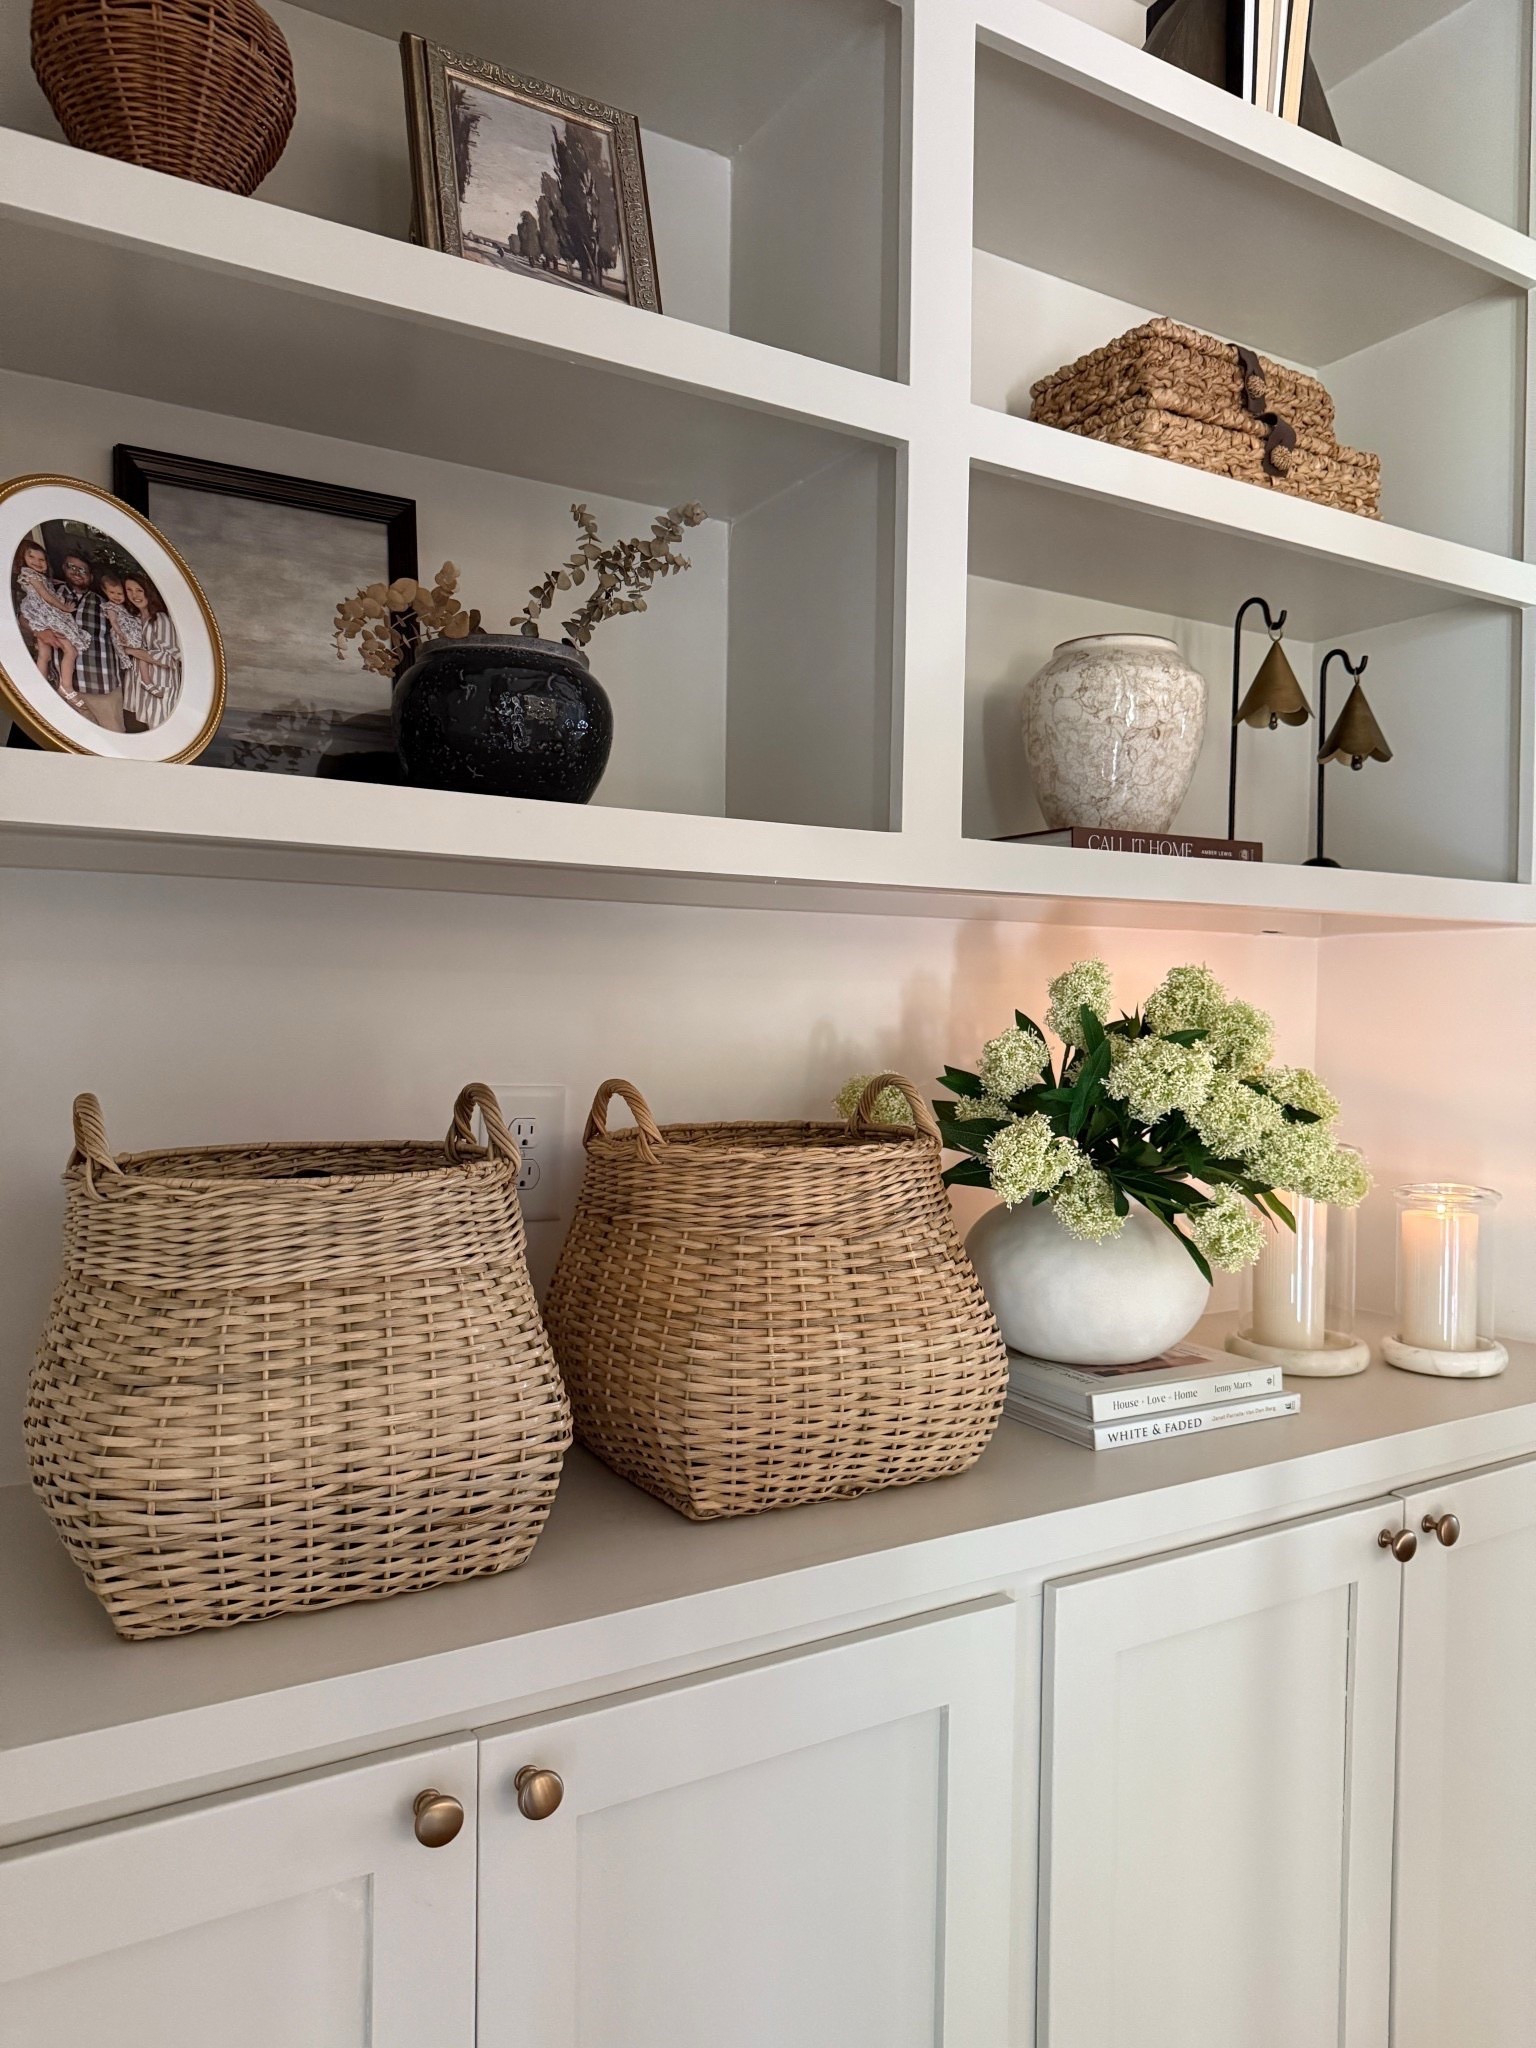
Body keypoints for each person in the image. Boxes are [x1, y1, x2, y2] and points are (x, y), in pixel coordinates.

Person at [13, 539, 90, 708]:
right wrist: (64, 607)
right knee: (70, 650)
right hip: (45, 615)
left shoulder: (36, 577)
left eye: (41, 560)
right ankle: (66, 687)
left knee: (44, 654)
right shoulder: (31, 575)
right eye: (31, 557)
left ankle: (39, 688)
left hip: (41, 617)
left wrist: (57, 583)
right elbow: (45, 595)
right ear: (23, 559)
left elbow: (46, 586)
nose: (37, 562)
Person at [59, 549, 126, 733]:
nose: (76, 572)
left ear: (90, 576)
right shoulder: (51, 594)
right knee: (75, 743)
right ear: (63, 568)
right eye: (72, 567)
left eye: (83, 570)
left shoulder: (105, 602)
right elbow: (25, 619)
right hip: (65, 689)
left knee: (115, 741)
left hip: (103, 685)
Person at [120, 574, 181, 731]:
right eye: (129, 590)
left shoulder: (161, 619)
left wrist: (130, 651)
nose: (134, 595)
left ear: (148, 591)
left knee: (161, 729)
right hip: (138, 686)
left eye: (139, 590)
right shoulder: (134, 619)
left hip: (160, 684)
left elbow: (169, 658)